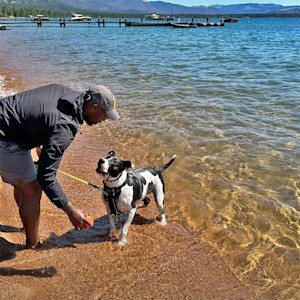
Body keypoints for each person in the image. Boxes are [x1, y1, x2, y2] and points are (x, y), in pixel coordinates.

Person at [0, 83, 120, 249]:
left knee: (25, 180)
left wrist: (41, 139)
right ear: (93, 107)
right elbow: (46, 177)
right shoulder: (66, 126)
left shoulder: (64, 91)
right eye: (105, 115)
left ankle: (26, 227)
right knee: (33, 189)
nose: (104, 120)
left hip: (6, 117)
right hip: (5, 136)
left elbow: (39, 113)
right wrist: (71, 211)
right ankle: (33, 246)